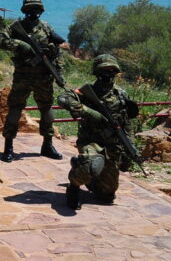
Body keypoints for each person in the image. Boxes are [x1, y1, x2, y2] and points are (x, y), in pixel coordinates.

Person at [58, 54, 139, 210]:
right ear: (96, 72)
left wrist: (130, 146)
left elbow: (127, 123)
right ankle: (74, 187)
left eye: (111, 71)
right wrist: (87, 111)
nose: (108, 75)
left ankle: (82, 168)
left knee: (107, 195)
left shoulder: (121, 95)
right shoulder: (87, 92)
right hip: (91, 141)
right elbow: (63, 98)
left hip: (112, 146)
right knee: (91, 163)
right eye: (104, 71)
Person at [0, 0, 66, 162]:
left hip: (44, 77)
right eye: (30, 9)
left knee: (47, 111)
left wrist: (58, 72)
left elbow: (57, 53)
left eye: (36, 9)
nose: (34, 12)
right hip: (22, 77)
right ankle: (8, 147)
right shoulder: (16, 27)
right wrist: (19, 45)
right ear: (25, 10)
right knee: (15, 110)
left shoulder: (46, 27)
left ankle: (47, 145)